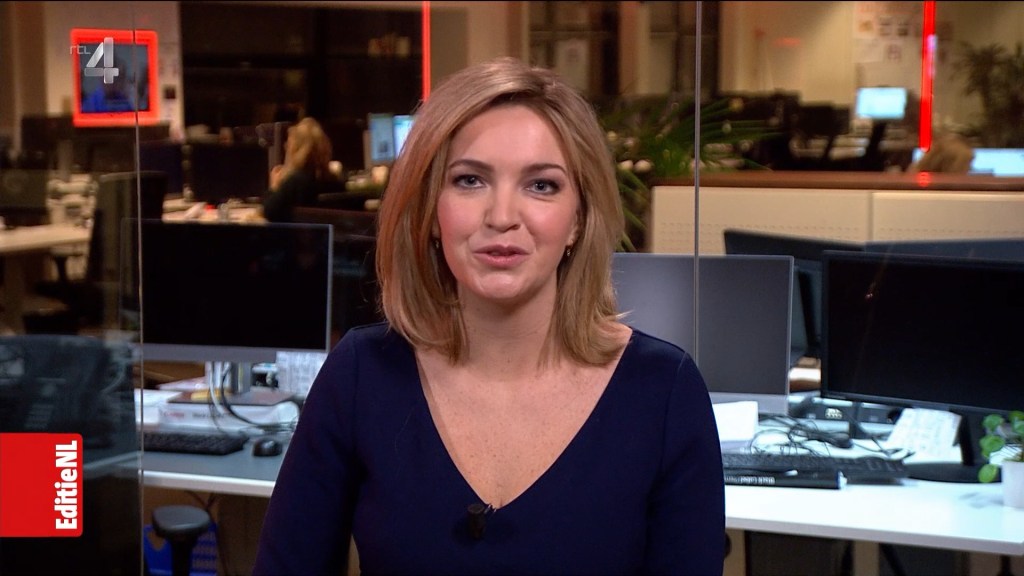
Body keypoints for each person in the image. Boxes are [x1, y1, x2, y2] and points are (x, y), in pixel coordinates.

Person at [253, 57, 725, 575]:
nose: (502, 217)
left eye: (541, 185)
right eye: (470, 180)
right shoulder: (361, 374)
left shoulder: (663, 392)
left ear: (578, 220)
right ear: (431, 211)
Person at [261, 117, 334, 222]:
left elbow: (269, 212)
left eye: (288, 144)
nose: (286, 147)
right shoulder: (330, 178)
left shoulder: (295, 181)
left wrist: (274, 187)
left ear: (295, 148)